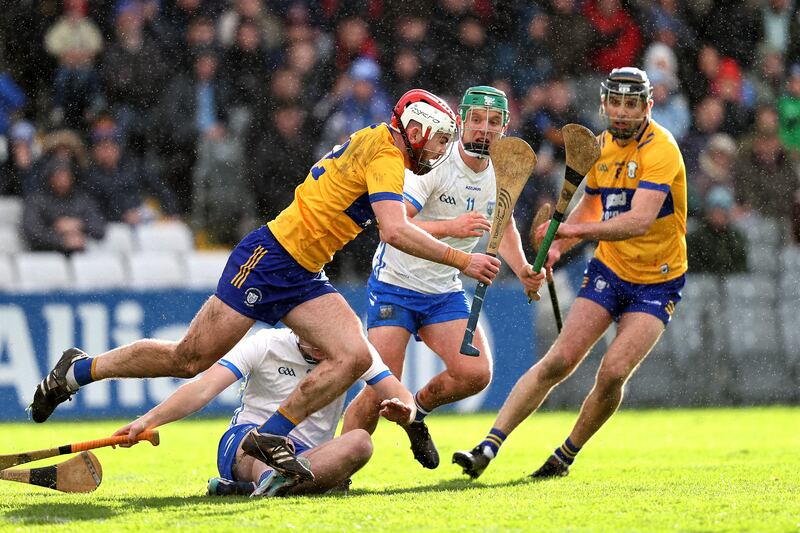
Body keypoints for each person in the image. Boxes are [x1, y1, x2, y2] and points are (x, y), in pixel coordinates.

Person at [30, 89, 501, 484]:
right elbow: (395, 231)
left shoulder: (378, 142)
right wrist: (464, 258)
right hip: (269, 260)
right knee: (188, 358)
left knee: (355, 355)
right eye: (438, 138)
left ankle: (271, 434)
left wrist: (413, 420)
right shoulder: (386, 154)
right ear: (414, 129)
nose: (440, 149)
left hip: (304, 272)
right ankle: (80, 370)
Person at [453, 67, 687, 480]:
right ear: (603, 103)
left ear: (648, 106)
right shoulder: (600, 147)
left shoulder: (661, 149)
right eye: (615, 102)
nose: (622, 112)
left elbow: (639, 221)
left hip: (658, 280)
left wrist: (572, 230)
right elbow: (592, 205)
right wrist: (558, 246)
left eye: (632, 104)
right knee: (558, 361)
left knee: (613, 371)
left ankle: (565, 454)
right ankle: (488, 445)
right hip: (610, 271)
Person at [341, 86, 543, 469]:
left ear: (505, 127)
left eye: (494, 122)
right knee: (379, 391)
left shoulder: (502, 171)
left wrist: (524, 272)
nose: (485, 129)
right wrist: (454, 226)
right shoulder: (436, 160)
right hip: (395, 285)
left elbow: (506, 227)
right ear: (463, 122)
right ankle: (338, 471)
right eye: (478, 120)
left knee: (475, 373)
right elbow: (398, 221)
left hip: (443, 291)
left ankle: (417, 412)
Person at [113, 327, 414, 497]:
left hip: (308, 455)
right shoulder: (265, 343)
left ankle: (253, 489)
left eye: (329, 337)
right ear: (299, 325)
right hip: (248, 442)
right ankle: (271, 479)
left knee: (361, 441)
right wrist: (147, 420)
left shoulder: (353, 349)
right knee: (265, 446)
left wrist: (406, 411)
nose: (324, 346)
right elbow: (203, 389)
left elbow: (399, 393)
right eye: (316, 337)